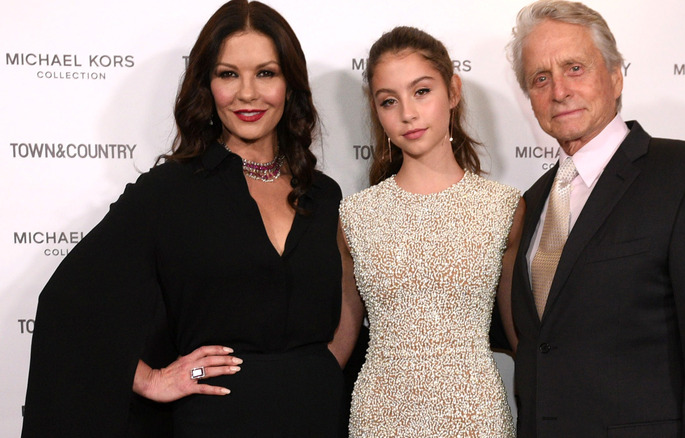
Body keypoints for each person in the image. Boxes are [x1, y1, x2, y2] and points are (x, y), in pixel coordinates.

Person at [22, 1, 361, 437]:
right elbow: (69, 305)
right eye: (228, 74)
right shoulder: (171, 191)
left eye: (266, 73)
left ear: (290, 84)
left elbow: (346, 294)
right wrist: (152, 378)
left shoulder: (323, 192)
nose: (247, 93)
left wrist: (321, 368)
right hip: (216, 422)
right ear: (207, 84)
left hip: (318, 416)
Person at [506, 1, 685, 436]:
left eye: (575, 69)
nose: (559, 91)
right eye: (540, 78)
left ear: (616, 76)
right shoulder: (530, 204)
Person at [339, 26, 524, 437]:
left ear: (453, 92)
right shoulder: (356, 215)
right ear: (377, 111)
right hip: (381, 417)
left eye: (422, 91)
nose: (407, 113)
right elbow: (340, 342)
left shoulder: (503, 208)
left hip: (475, 419)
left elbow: (520, 340)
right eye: (390, 101)